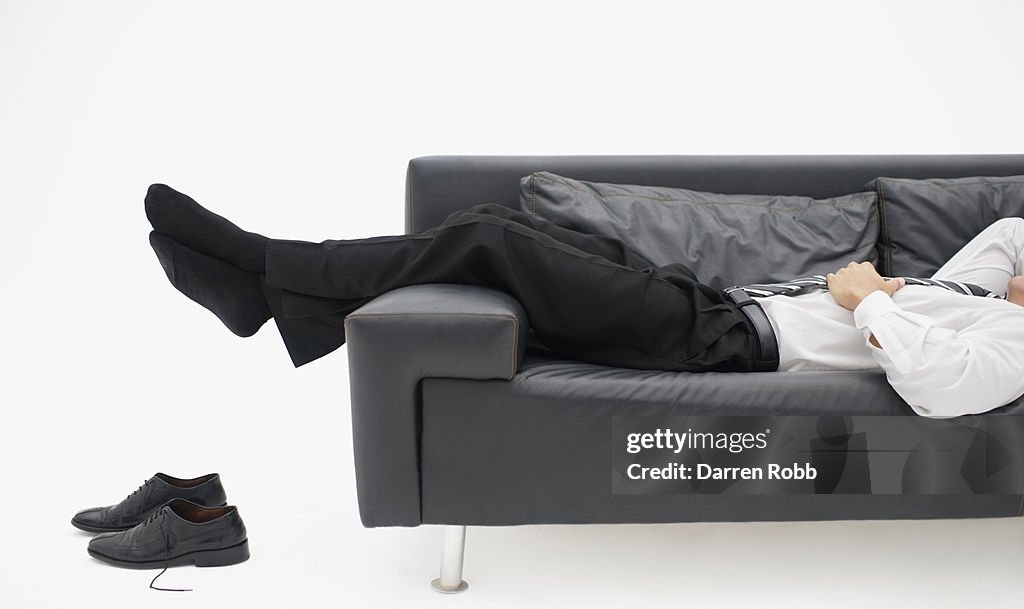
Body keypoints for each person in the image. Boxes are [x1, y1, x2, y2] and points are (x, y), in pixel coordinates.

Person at [142, 184, 1024, 419]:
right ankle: (274, 298)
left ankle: (262, 266)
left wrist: (873, 300)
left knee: (495, 244)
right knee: (488, 217)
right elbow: (1010, 230)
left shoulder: (1015, 340)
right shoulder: (990, 287)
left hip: (722, 343)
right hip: (716, 303)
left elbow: (946, 390)